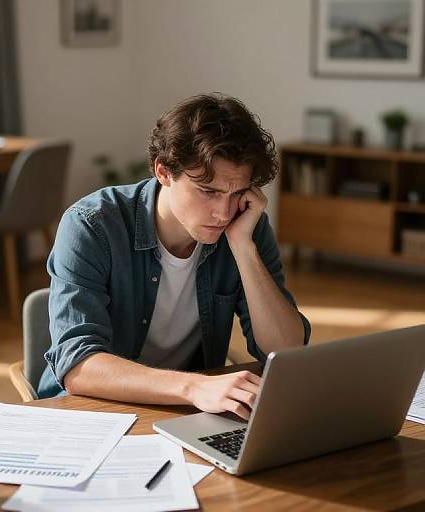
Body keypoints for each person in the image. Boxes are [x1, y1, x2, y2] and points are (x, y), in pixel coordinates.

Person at [38, 93, 311, 420]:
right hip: (92, 413)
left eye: (237, 193)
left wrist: (243, 248)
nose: (224, 212)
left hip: (186, 411)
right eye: (208, 191)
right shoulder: (92, 226)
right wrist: (194, 387)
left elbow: (286, 350)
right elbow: (78, 364)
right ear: (164, 172)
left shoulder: (245, 224)